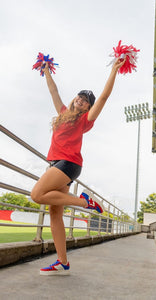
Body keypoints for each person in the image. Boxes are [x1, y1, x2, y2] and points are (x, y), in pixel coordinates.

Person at [31, 57, 126, 275]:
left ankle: (84, 203)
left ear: (88, 108)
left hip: (68, 164)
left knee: (37, 194)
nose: (81, 101)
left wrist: (113, 70)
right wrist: (46, 71)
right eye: (80, 97)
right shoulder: (63, 112)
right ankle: (63, 261)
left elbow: (103, 97)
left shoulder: (85, 120)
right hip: (58, 164)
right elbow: (53, 91)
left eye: (85, 101)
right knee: (55, 212)